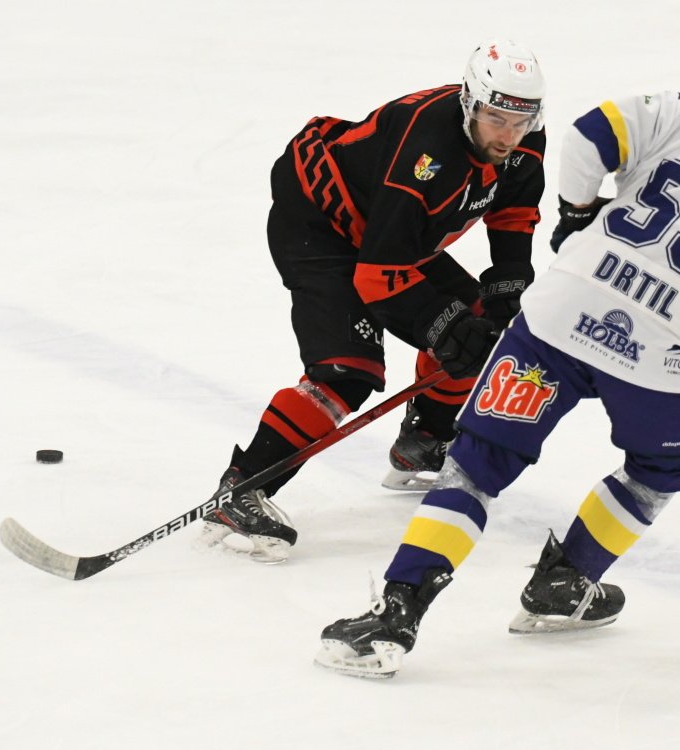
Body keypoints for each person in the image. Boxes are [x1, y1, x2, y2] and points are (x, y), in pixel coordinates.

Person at [316, 56, 680, 677]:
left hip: (559, 315)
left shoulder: (679, 113)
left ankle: (397, 611)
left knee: (475, 466)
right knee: (663, 465)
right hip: (659, 354)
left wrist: (580, 214)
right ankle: (569, 581)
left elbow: (588, 136)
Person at [201, 39, 548, 564]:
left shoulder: (523, 136)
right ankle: (242, 487)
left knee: (480, 328)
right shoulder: (427, 151)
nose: (507, 135)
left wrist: (505, 292)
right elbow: (380, 276)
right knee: (349, 371)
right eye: (495, 118)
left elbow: (513, 211)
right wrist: (442, 326)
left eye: (520, 121)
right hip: (321, 225)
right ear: (470, 102)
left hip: (391, 233)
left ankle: (425, 439)